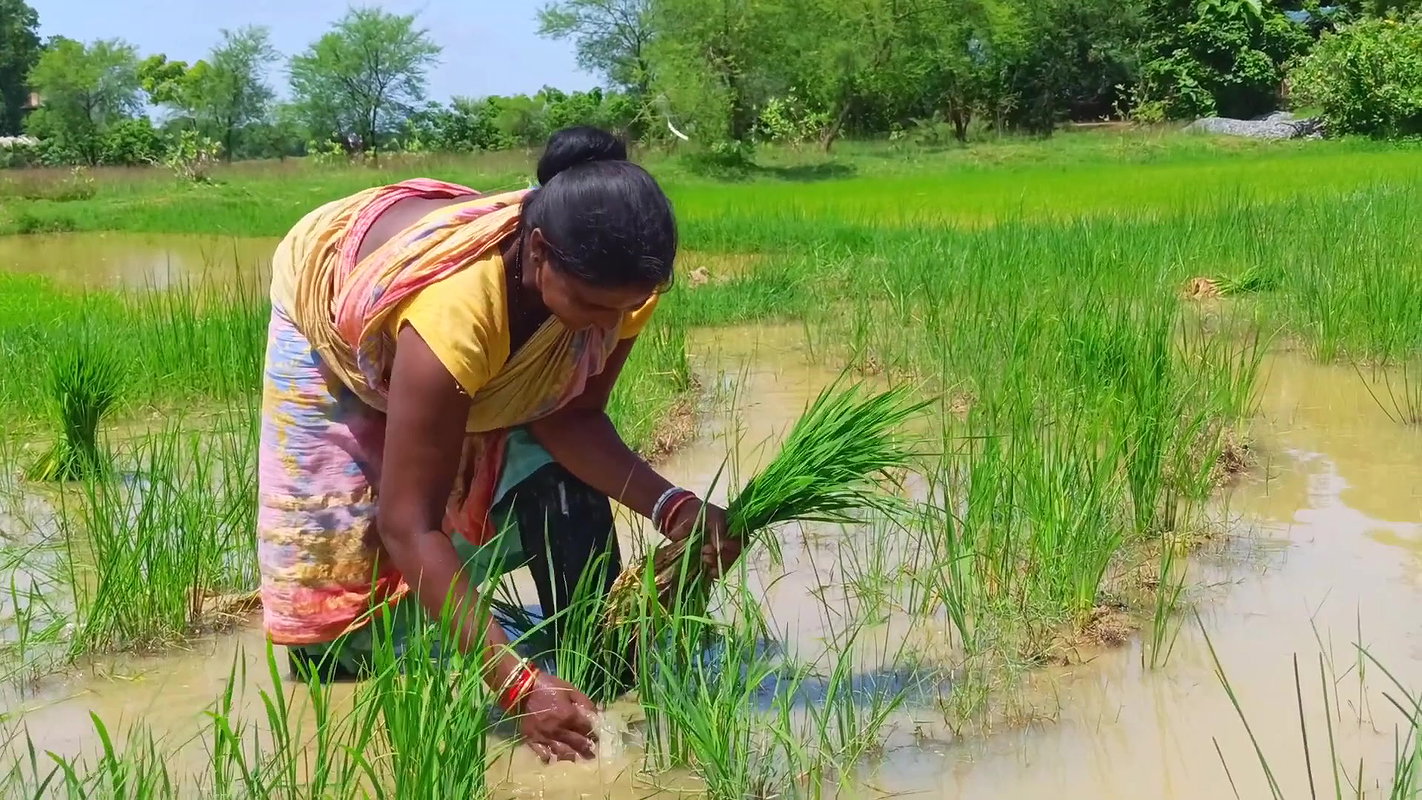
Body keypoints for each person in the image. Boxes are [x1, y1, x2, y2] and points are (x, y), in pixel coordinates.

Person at [256, 126, 742, 763]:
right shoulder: (456, 313)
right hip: (332, 296)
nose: (606, 327)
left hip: (466, 315)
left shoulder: (618, 290)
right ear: (537, 252)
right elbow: (408, 524)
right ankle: (503, 657)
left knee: (562, 484)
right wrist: (513, 683)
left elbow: (572, 419)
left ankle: (586, 655)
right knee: (338, 644)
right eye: (594, 305)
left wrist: (675, 508)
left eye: (622, 310)